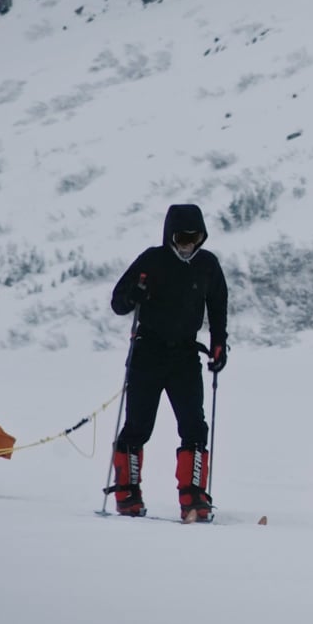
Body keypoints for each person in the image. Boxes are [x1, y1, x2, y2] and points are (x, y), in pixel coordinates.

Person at [108, 204, 229, 521]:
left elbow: (218, 305)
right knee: (137, 426)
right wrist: (135, 293)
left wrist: (219, 344)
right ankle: (127, 495)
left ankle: (194, 497)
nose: (188, 244)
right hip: (148, 352)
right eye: (182, 237)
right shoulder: (152, 260)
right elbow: (118, 302)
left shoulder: (207, 265)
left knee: (194, 427)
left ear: (202, 237)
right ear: (170, 236)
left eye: (195, 237)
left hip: (185, 355)